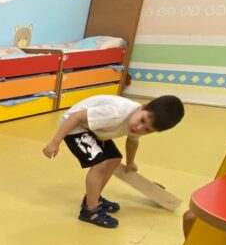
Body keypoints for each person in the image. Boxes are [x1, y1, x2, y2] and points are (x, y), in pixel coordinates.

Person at [42, 94, 185, 228]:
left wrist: (130, 163)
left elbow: (133, 140)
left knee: (114, 159)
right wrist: (55, 142)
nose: (139, 128)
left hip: (94, 129)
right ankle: (90, 210)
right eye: (142, 120)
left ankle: (93, 198)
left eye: (147, 130)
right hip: (74, 127)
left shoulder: (138, 121)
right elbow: (76, 117)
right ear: (143, 106)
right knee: (99, 164)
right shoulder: (116, 112)